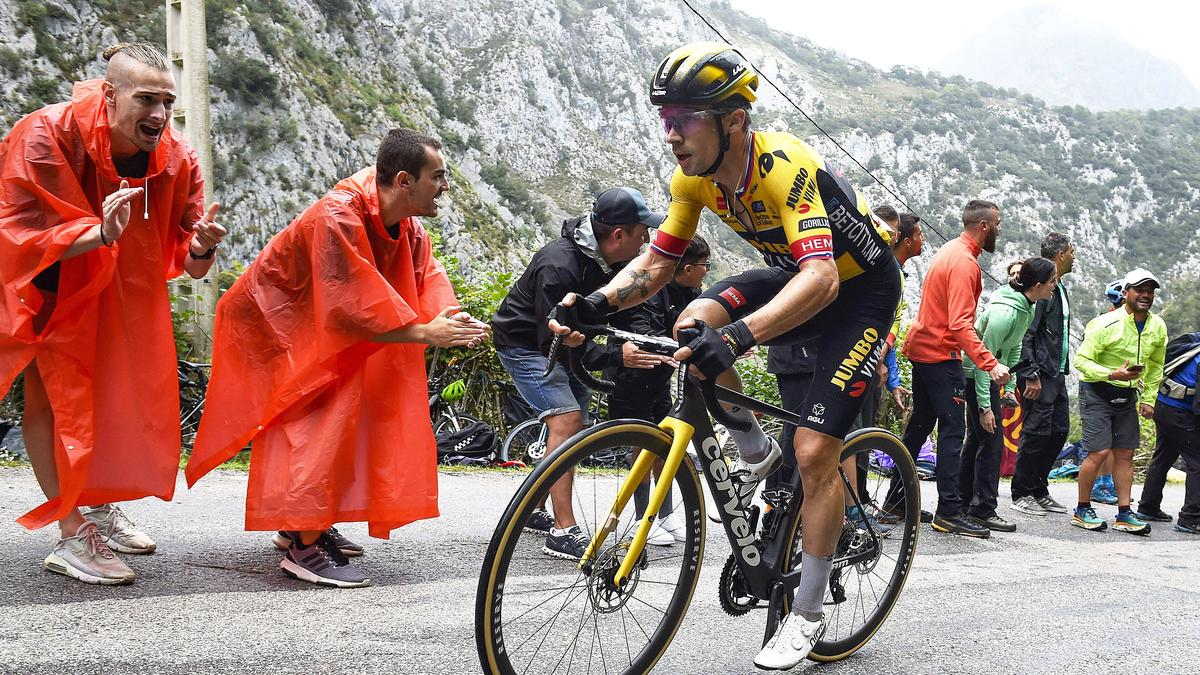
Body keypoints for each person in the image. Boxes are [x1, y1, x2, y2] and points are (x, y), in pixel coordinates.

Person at [550, 43, 900, 670]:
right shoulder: (692, 179)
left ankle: (808, 615)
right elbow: (659, 263)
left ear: (733, 120)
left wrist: (740, 338)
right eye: (666, 119)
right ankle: (754, 449)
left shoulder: (784, 167)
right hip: (794, 272)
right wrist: (596, 304)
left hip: (857, 292)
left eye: (686, 117)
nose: (671, 134)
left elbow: (822, 280)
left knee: (816, 451)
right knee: (692, 321)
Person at [185, 129, 488, 587]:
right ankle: (304, 549)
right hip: (273, 323)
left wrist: (452, 320)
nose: (445, 186)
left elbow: (428, 280)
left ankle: (300, 525)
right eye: (438, 176)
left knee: (347, 416)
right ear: (404, 181)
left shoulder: (408, 227)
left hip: (316, 326)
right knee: (320, 423)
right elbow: (346, 306)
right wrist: (427, 331)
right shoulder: (338, 216)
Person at [0, 43, 225, 585]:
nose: (159, 115)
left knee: (111, 402)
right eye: (146, 99)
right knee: (52, 398)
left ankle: (94, 503)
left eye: (167, 102)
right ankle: (71, 531)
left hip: (119, 297)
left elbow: (189, 260)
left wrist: (200, 248)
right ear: (108, 95)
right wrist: (95, 234)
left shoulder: (177, 158)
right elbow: (13, 232)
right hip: (44, 292)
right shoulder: (45, 134)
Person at [492, 186, 662, 560]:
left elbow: (627, 306)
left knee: (574, 427)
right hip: (527, 346)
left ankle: (533, 508)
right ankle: (562, 531)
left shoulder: (615, 262)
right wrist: (617, 356)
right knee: (567, 422)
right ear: (619, 235)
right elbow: (555, 339)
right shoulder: (559, 264)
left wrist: (647, 341)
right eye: (642, 232)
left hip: (570, 347)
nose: (646, 240)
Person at [886, 199, 1010, 539]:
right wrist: (990, 363)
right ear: (984, 226)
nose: (999, 228)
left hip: (921, 351)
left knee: (919, 428)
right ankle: (950, 512)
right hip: (940, 356)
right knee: (953, 432)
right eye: (997, 223)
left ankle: (896, 501)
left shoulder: (948, 251)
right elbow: (959, 324)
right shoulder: (964, 262)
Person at [607, 236, 710, 545]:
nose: (707, 271)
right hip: (631, 377)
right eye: (705, 265)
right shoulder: (652, 290)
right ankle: (642, 518)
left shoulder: (691, 290)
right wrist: (686, 346)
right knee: (642, 448)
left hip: (661, 376)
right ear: (688, 268)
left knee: (665, 447)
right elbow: (642, 332)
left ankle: (663, 513)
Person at [960, 257, 1057, 533]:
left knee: (977, 440)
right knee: (990, 441)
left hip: (991, 374)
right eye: (1052, 282)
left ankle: (964, 501)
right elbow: (982, 359)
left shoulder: (1028, 306)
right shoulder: (1006, 313)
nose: (1054, 286)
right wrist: (984, 407)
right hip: (974, 374)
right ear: (1037, 285)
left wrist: (1010, 385)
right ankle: (983, 509)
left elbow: (1013, 348)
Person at [1071, 268, 1168, 535]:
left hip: (1127, 394)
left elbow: (1156, 364)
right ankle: (1082, 509)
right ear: (1126, 293)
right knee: (1100, 452)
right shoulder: (1104, 323)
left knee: (1125, 453)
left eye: (1150, 291)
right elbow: (1081, 361)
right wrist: (1112, 373)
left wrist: (1149, 399)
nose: (1146, 295)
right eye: (1140, 290)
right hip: (1097, 390)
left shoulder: (1157, 326)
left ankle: (1124, 514)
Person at [1008, 233, 1075, 516]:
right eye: (1072, 251)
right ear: (1060, 255)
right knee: (1036, 432)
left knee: (1058, 430)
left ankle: (1039, 488)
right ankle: (1021, 492)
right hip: (1040, 373)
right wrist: (1031, 373)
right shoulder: (1042, 288)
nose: (1075, 256)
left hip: (1057, 372)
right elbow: (1026, 334)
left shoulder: (1058, 288)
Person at [1135, 331, 1200, 533]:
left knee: (1163, 456)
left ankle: (1148, 507)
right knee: (1197, 462)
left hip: (1163, 405)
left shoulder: (1196, 342)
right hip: (1179, 411)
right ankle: (1190, 519)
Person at [1090, 279, 1129, 505]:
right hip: (1101, 387)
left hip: (1120, 387)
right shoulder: (1104, 323)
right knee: (1103, 443)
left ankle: (1109, 483)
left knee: (1114, 442)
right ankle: (1101, 484)